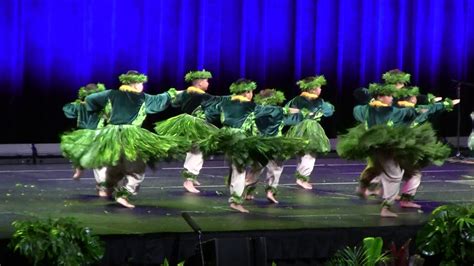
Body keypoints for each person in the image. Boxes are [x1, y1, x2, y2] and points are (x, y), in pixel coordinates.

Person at [61, 70, 188, 208]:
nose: (142, 86)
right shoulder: (142, 98)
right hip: (130, 135)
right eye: (140, 83)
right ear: (134, 84)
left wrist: (100, 108)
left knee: (114, 164)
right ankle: (124, 194)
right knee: (137, 168)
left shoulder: (110, 94)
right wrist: (183, 92)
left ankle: (108, 186)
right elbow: (163, 97)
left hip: (111, 134)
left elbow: (91, 99)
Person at [337, 83, 458, 217]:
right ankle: (386, 207)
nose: (391, 98)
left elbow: (358, 108)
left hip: (375, 147)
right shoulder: (394, 111)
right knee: (394, 175)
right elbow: (421, 111)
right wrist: (444, 104)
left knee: (382, 169)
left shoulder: (366, 109)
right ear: (380, 97)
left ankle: (365, 187)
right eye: (388, 95)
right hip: (386, 147)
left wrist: (438, 104)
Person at [155, 70, 227, 193]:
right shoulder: (203, 96)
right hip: (196, 125)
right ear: (199, 84)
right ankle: (188, 180)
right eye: (206, 81)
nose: (208, 83)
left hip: (185, 123)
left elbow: (175, 103)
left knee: (195, 150)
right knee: (197, 151)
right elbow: (218, 101)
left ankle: (191, 177)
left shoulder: (184, 94)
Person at [244, 89, 303, 203]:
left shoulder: (255, 109)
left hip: (258, 143)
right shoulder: (278, 110)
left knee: (256, 168)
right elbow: (292, 111)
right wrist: (304, 111)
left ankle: (247, 191)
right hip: (275, 143)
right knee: (276, 168)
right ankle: (270, 191)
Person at [285, 75, 334, 190]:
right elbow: (328, 111)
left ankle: (300, 177)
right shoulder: (317, 101)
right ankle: (302, 178)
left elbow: (287, 111)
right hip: (310, 128)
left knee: (301, 153)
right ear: (312, 89)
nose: (320, 90)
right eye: (319, 87)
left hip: (297, 129)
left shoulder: (296, 99)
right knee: (310, 153)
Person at [62, 83, 108, 180]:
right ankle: (102, 183)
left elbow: (69, 111)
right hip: (96, 133)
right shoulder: (101, 106)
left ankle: (79, 170)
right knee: (97, 158)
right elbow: (109, 116)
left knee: (81, 153)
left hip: (84, 134)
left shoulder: (80, 105)